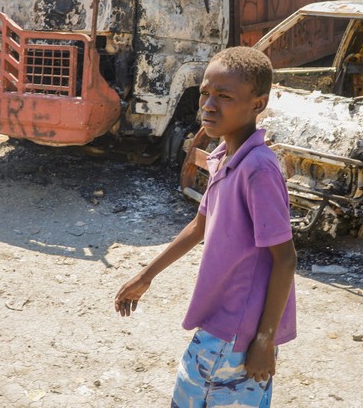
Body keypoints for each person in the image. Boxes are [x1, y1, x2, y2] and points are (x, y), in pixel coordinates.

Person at [115, 46, 297, 407]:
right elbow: (199, 226)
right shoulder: (224, 157)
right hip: (220, 322)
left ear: (257, 104)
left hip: (236, 333)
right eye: (205, 94)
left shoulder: (258, 169)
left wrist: (264, 340)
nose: (209, 106)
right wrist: (146, 276)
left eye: (224, 97)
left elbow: (286, 258)